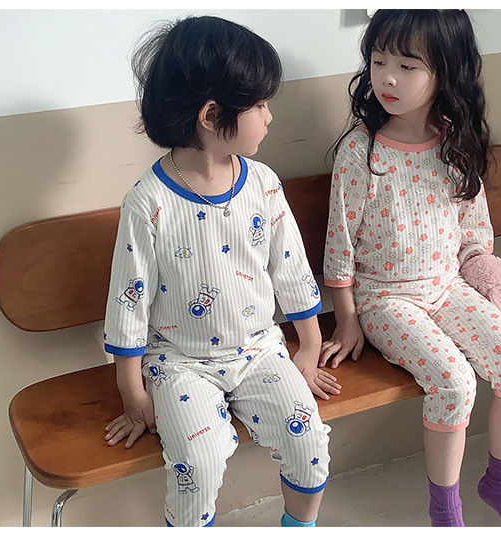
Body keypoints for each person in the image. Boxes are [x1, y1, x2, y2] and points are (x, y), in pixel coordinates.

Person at [102, 15, 340, 527]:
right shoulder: (149, 202)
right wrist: (132, 392)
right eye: (259, 105)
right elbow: (128, 302)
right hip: (179, 363)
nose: (270, 116)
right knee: (198, 462)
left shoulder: (263, 183)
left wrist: (309, 344)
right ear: (212, 115)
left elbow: (291, 268)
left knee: (310, 446)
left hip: (260, 350)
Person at [319, 9, 501, 527]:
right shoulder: (360, 152)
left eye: (407, 66)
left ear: (446, 72)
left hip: (448, 288)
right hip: (385, 300)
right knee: (455, 383)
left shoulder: (455, 143)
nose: (387, 78)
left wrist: (492, 293)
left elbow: (474, 234)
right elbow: (339, 245)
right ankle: (446, 512)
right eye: (379, 61)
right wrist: (348, 318)